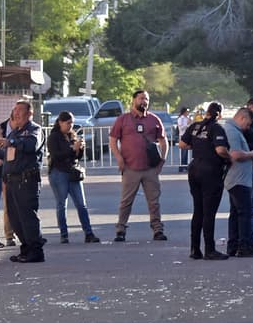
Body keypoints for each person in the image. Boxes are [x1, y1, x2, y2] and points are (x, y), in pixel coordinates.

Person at [109, 89, 169, 242]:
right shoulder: (123, 119)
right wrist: (119, 158)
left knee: (154, 202)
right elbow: (113, 140)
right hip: (130, 168)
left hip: (150, 169)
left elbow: (163, 141)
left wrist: (162, 161)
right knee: (126, 202)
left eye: (146, 99)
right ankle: (120, 230)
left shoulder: (154, 120)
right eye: (141, 98)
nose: (144, 101)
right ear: (134, 100)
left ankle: (157, 230)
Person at [179, 102, 231, 259]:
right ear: (219, 115)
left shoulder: (195, 126)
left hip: (195, 169)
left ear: (207, 112)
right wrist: (229, 158)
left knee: (198, 210)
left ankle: (195, 249)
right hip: (210, 171)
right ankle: (210, 249)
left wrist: (198, 146)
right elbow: (220, 150)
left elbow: (182, 144)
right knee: (209, 212)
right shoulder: (216, 128)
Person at [1, 99, 45, 263]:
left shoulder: (34, 130)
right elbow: (8, 158)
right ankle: (26, 249)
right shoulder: (14, 132)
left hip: (26, 181)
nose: (16, 113)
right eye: (15, 110)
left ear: (29, 113)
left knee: (27, 217)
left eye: (20, 110)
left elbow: (31, 145)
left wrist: (12, 142)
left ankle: (36, 251)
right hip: (12, 181)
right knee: (15, 218)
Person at [47, 111, 99, 244]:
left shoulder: (72, 135)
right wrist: (71, 149)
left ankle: (88, 233)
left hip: (72, 172)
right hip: (59, 172)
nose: (70, 126)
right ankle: (64, 234)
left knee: (81, 204)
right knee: (61, 204)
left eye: (72, 123)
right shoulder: (54, 137)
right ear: (60, 122)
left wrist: (80, 149)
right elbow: (56, 155)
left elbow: (77, 157)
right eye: (68, 123)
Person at [222, 107, 253, 257]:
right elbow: (235, 154)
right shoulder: (233, 132)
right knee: (245, 213)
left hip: (238, 179)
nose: (248, 128)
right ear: (242, 117)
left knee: (236, 213)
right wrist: (251, 154)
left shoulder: (233, 130)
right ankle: (244, 247)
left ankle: (233, 246)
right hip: (238, 179)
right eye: (248, 124)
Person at [176, 105, 192, 172]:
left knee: (187, 152)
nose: (188, 113)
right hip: (182, 135)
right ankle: (182, 166)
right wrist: (187, 124)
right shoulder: (181, 119)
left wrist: (190, 123)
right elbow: (181, 128)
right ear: (184, 112)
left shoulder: (187, 118)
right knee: (183, 152)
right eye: (187, 111)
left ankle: (185, 166)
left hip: (187, 135)